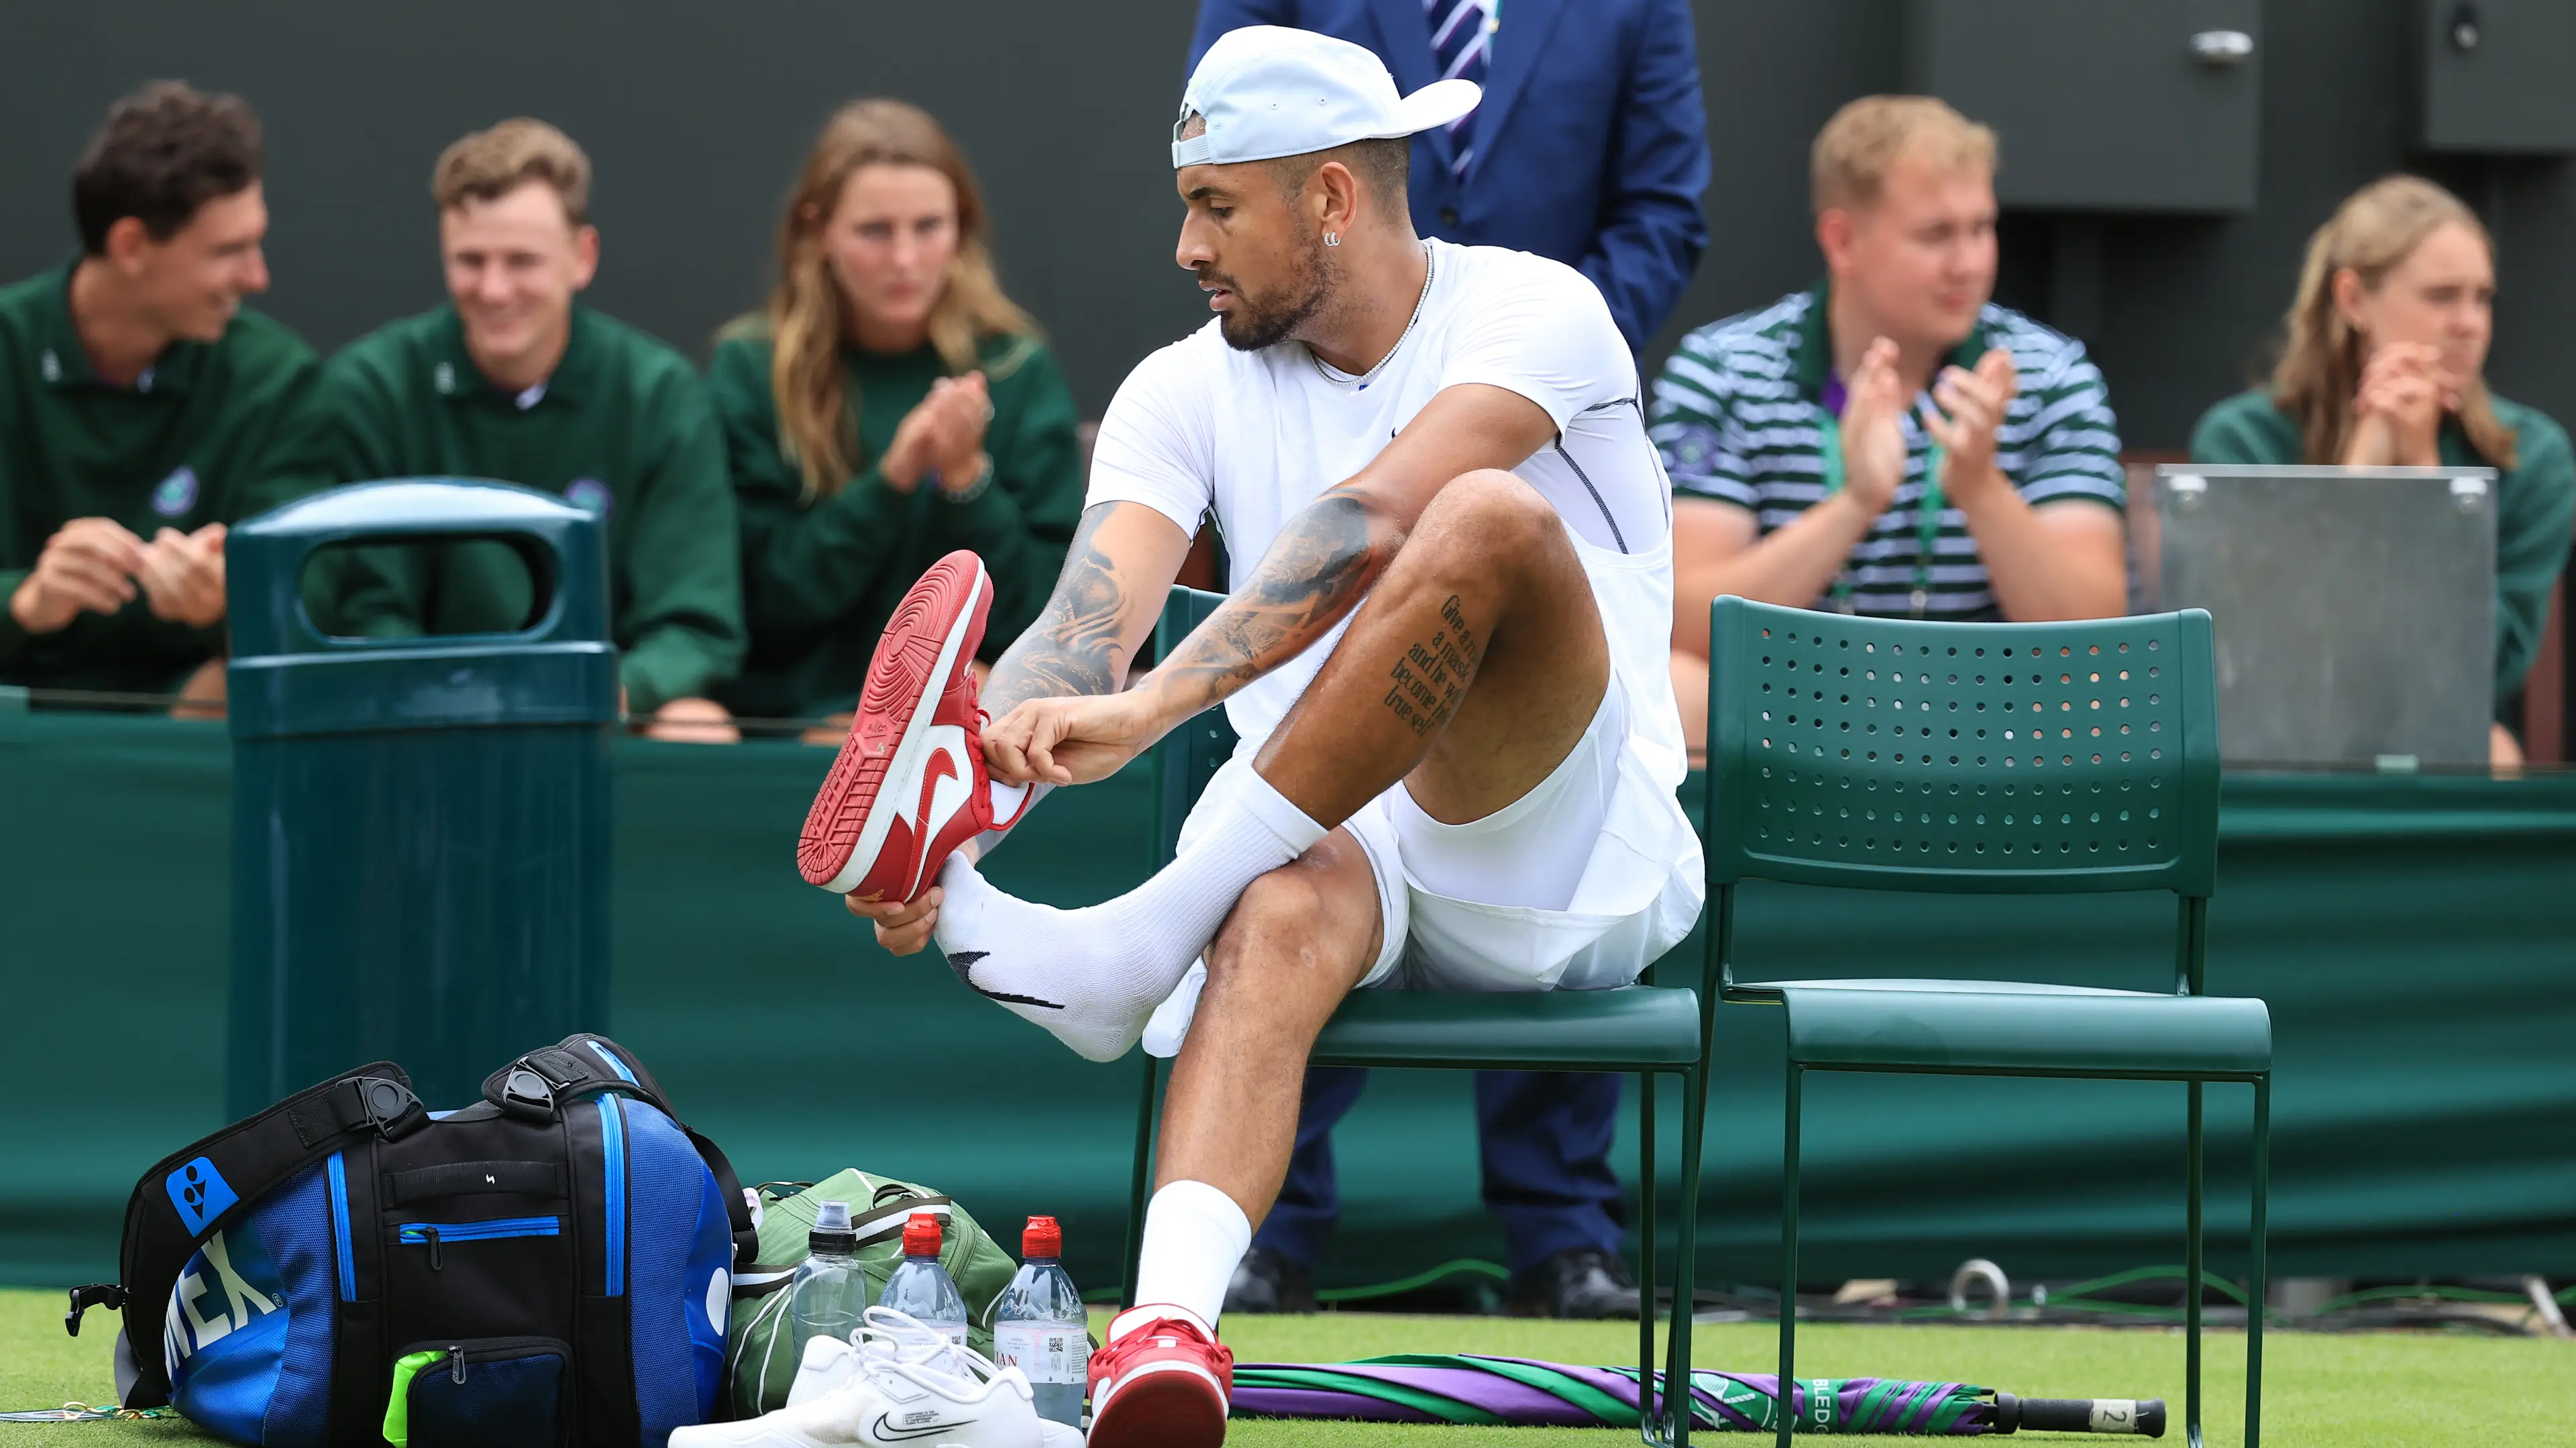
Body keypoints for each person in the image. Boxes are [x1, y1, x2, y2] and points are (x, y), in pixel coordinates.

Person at [812, 28, 1701, 1447]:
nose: (1184, 244)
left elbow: (1380, 519)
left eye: (1218, 204)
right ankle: (1164, 1334)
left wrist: (1158, 704)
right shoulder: (1180, 389)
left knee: (1485, 517)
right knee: (1279, 905)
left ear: (1334, 198)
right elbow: (1083, 637)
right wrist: (951, 815)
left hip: (1564, 851)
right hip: (1336, 850)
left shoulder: (1542, 313)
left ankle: (1141, 932)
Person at [1187, 0, 1709, 1323]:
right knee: (1304, 849)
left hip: (1534, 425)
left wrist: (1510, 371)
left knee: (1551, 809)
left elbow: (1660, 210)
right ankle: (1259, 1227)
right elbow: (1232, 164)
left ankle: (1564, 1229)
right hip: (1333, 394)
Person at [1652, 96, 2129, 755]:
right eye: (1936, 235)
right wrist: (1855, 503)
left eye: (1982, 227)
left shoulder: (2050, 374)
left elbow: (2098, 640)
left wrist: (1982, 490)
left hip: (1998, 719)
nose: (1969, 264)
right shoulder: (1724, 371)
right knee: (1674, 689)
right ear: (1843, 240)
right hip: (1789, 716)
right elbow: (1682, 622)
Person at [317, 119, 743, 740]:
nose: (493, 289)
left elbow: (695, 625)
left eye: (522, 261)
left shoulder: (657, 394)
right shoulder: (375, 386)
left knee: (697, 726)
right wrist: (456, 695)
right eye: (470, 261)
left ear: (583, 256)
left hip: (598, 711)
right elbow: (366, 609)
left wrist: (602, 690)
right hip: (420, 715)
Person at [708, 100, 1083, 732]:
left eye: (929, 226)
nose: (905, 260)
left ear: (961, 229)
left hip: (974, 714)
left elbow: (1046, 617)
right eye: (875, 231)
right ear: (816, 231)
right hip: (801, 718)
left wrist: (967, 479)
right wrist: (893, 480)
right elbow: (763, 606)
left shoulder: (1015, 368)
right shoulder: (752, 368)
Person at [2190, 175, 2575, 767]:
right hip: (2275, 746)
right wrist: (2364, 467)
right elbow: (2273, 660)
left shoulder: (2531, 454)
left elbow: (2488, 671)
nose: (2471, 323)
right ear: (2352, 300)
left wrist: (2425, 476)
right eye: (2443, 296)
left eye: (2483, 297)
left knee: (2496, 754)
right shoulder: (2243, 440)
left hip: (2444, 739)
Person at [1, 82, 332, 712]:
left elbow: (318, 599)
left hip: (188, 726)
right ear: (131, 246)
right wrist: (27, 599)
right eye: (228, 251)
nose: (257, 278)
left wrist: (231, 604)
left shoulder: (278, 379)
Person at [1187, 0, 1707, 351]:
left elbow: (1659, 210)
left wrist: (1544, 358)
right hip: (1322, 395)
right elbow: (1224, 155)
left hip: (1555, 425)